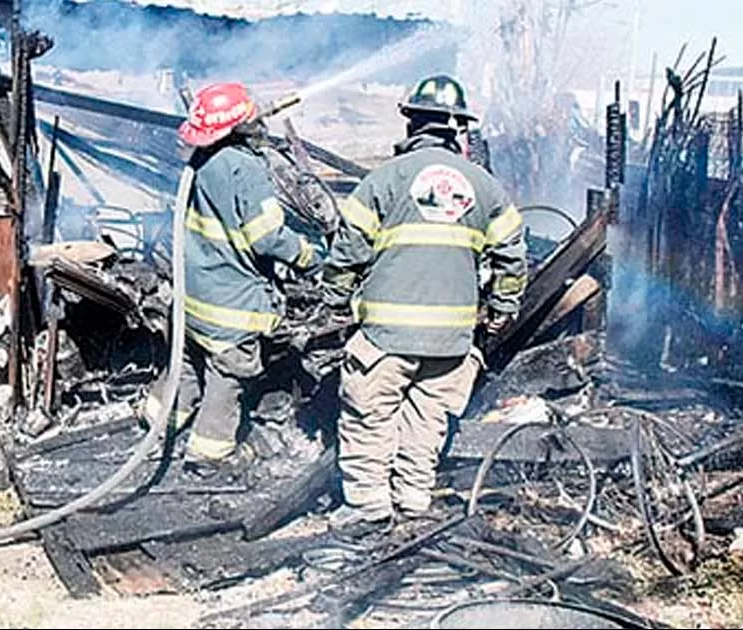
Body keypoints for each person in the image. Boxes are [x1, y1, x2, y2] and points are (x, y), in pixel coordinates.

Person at [322, 75, 528, 539]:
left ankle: (368, 508)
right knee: (427, 422)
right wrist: (500, 309)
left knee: (369, 419)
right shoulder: (486, 187)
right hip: (452, 342)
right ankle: (413, 501)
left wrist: (335, 301)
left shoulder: (382, 180)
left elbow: (347, 253)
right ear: (459, 128)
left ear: (411, 119)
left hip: (385, 338)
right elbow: (513, 256)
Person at [174, 82, 323, 477]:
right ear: (242, 127)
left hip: (194, 291)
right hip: (229, 297)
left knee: (189, 362)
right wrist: (310, 256)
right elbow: (268, 237)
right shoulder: (245, 167)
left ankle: (158, 422)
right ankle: (209, 454)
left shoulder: (202, 160)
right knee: (229, 371)